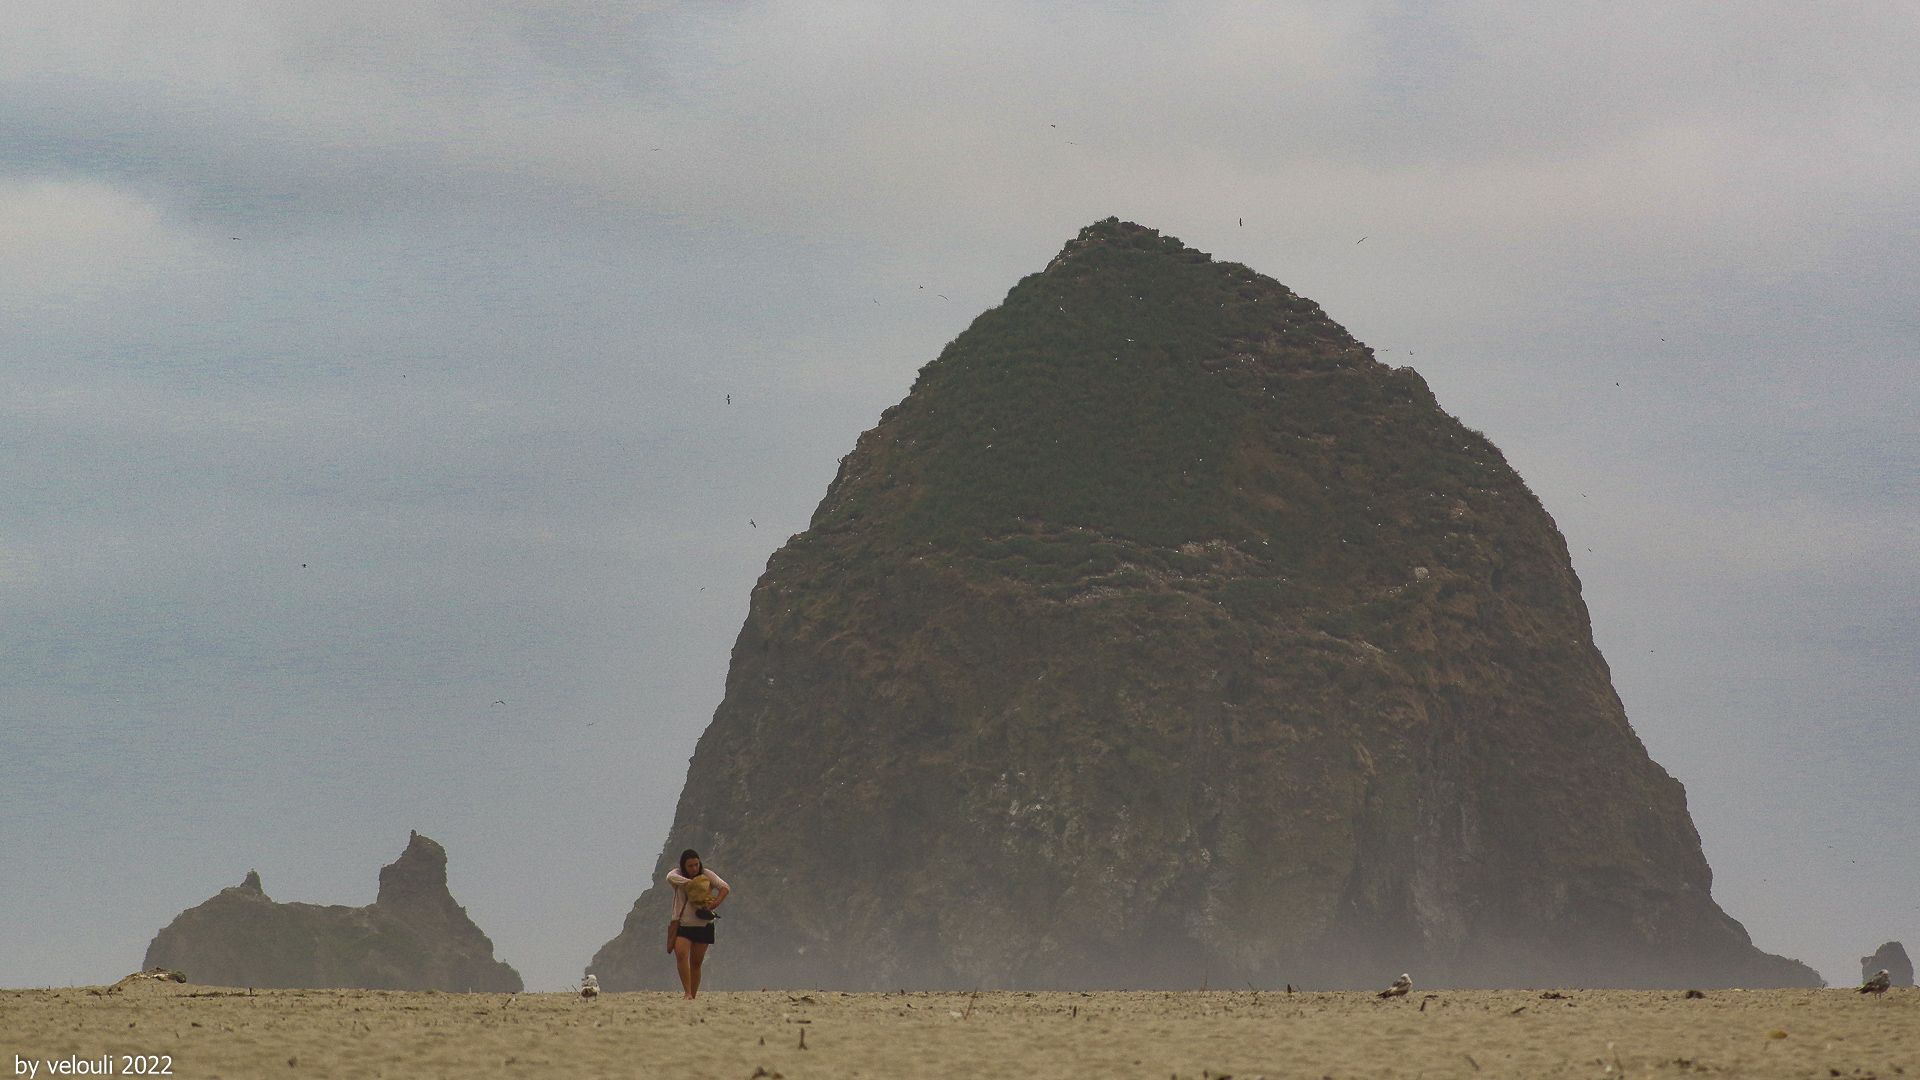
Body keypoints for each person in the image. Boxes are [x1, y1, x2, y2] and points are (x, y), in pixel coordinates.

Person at [664, 849, 728, 999]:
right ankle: (687, 993)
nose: (694, 868)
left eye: (696, 865)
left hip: (703, 925)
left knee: (696, 962)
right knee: (680, 955)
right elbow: (669, 877)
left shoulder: (706, 874)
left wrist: (713, 905)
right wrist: (692, 883)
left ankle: (692, 994)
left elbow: (725, 887)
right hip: (683, 925)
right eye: (690, 866)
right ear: (683, 866)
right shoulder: (678, 875)